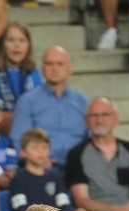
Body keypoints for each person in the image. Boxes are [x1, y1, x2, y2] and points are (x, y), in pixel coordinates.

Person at [66, 97, 129, 211]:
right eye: (94, 116)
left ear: (116, 119)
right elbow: (81, 200)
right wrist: (119, 210)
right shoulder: (76, 154)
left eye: (105, 115)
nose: (100, 120)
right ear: (86, 121)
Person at [10, 46, 89, 177]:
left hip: (78, 169)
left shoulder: (84, 102)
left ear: (70, 68)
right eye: (49, 64)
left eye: (60, 64)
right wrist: (38, 160)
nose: (55, 68)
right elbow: (19, 140)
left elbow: (92, 138)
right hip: (41, 169)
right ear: (42, 69)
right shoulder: (28, 101)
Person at [0, 21, 42, 130]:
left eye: (22, 41)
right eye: (11, 40)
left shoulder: (34, 74)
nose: (17, 45)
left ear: (28, 46)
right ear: (2, 44)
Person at [8, 128, 74, 211]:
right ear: (23, 152)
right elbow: (20, 209)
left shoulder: (55, 177)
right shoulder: (18, 179)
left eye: (45, 147)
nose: (41, 152)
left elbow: (64, 204)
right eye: (35, 148)